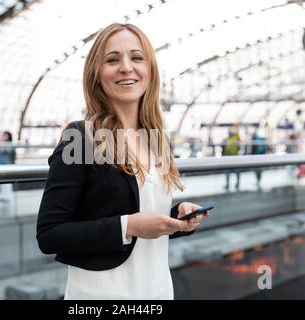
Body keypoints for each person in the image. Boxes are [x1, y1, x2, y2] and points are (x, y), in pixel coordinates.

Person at [36, 23, 209, 300]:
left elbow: (142, 212)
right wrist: (127, 226)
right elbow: (49, 234)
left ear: (150, 70)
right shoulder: (80, 137)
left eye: (137, 58)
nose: (126, 67)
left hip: (158, 292)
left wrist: (177, 218)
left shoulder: (156, 138)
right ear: (96, 75)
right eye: (112, 59)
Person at [0, 131, 16, 203]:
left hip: (6, 164)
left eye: (5, 136)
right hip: (0, 164)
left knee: (7, 182)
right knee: (1, 181)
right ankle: (2, 195)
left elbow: (6, 151)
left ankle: (8, 195)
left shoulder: (9, 144)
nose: (3, 137)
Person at [222, 125, 241, 190]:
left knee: (234, 172)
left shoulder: (234, 138)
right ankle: (229, 184)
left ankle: (236, 183)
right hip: (230, 158)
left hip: (233, 158)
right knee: (230, 172)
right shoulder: (228, 139)